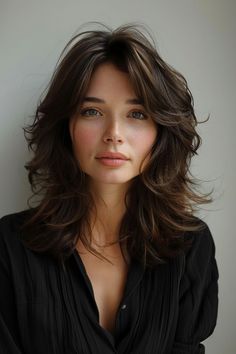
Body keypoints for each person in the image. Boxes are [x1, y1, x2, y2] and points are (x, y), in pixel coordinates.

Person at [0, 22, 218, 353]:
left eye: (137, 113)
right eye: (92, 111)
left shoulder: (191, 246)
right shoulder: (9, 246)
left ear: (160, 130)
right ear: (66, 127)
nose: (114, 133)